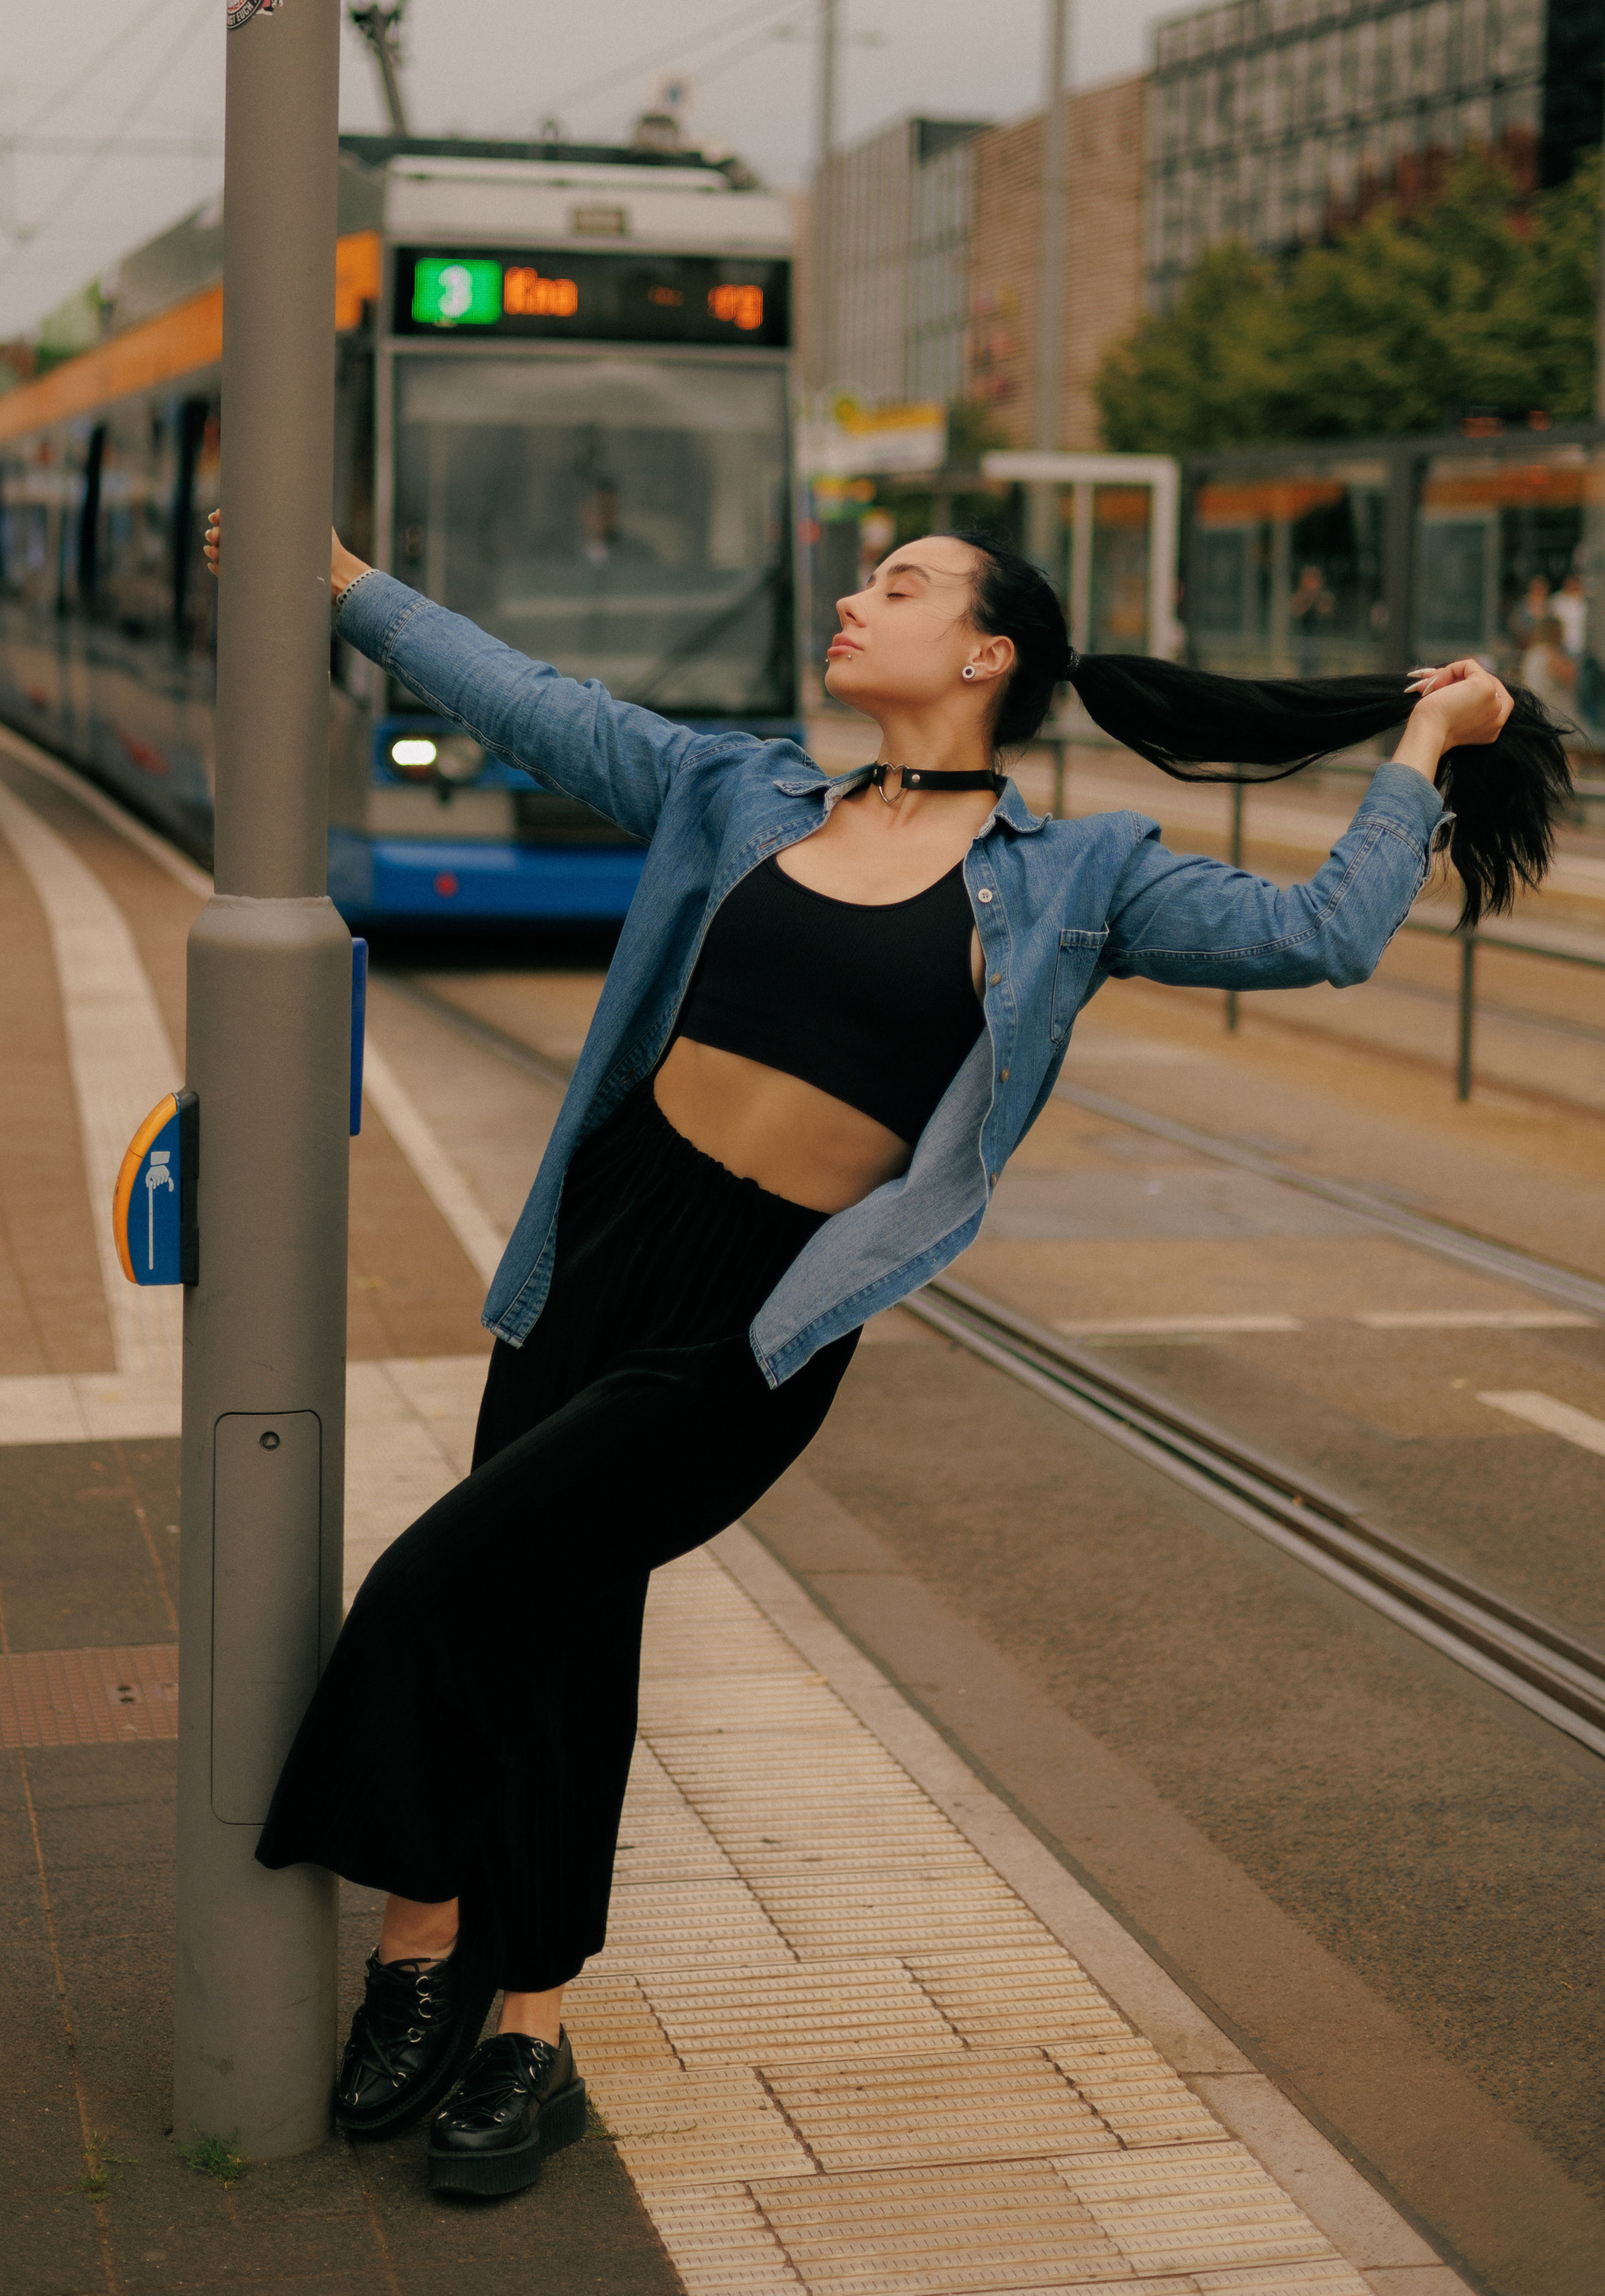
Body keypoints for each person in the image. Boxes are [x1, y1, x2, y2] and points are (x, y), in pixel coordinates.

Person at [201, 508, 1565, 2199]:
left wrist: (1425, 747)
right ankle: (497, 2004)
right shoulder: (740, 790)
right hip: (605, 1242)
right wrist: (341, 585)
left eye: (900, 586)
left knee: (439, 1577)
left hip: (758, 1312)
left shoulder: (1077, 876)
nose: (854, 600)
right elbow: (536, 702)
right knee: (554, 1621)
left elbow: (1322, 935)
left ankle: (435, 1935)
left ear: (985, 655)